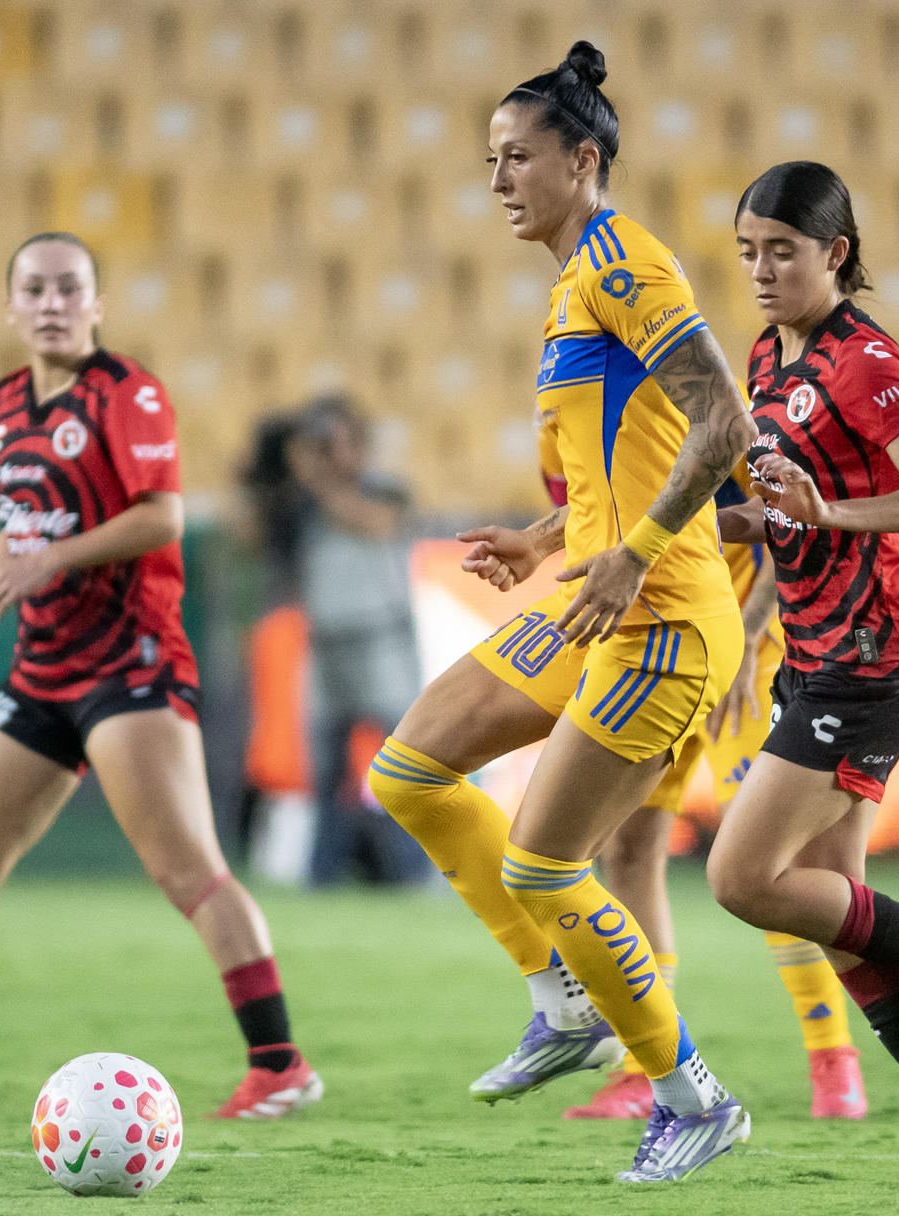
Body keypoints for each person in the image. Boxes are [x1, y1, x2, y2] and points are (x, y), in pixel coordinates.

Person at [0, 232, 320, 1122]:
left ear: (97, 305)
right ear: (10, 307)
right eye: (35, 289)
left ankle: (279, 1062)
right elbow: (17, 531)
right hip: (41, 670)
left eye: (70, 288)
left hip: (131, 664)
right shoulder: (6, 402)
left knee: (189, 872)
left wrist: (55, 560)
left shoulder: (130, 393)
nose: (52, 302)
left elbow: (162, 518)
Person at [366, 43, 756, 1183]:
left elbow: (724, 424)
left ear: (583, 160)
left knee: (546, 867)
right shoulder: (571, 283)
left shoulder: (626, 268)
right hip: (602, 596)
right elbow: (617, 464)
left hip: (668, 618)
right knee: (408, 769)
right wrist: (546, 540)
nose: (496, 180)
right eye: (489, 160)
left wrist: (631, 558)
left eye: (517, 157)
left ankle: (694, 1098)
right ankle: (561, 997)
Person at [704, 162, 899, 1178]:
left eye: (782, 252)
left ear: (835, 252)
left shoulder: (864, 360)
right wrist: (756, 618)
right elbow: (788, 514)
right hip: (814, 656)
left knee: (744, 877)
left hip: (879, 660)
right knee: (838, 908)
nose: (761, 270)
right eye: (749, 251)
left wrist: (825, 513)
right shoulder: (768, 356)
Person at [552, 452, 868, 1123]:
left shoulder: (704, 409)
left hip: (746, 653)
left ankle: (832, 1057)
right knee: (629, 849)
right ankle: (645, 1066)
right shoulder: (571, 418)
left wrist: (755, 626)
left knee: (766, 864)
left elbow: (790, 525)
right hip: (651, 650)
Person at [283, 397, 433, 887]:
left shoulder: (386, 491)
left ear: (362, 446)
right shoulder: (298, 501)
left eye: (339, 443)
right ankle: (320, 874)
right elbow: (250, 535)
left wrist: (319, 481)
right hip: (325, 644)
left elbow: (377, 524)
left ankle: (416, 872)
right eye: (322, 446)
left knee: (405, 762)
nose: (330, 455)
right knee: (325, 771)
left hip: (381, 640)